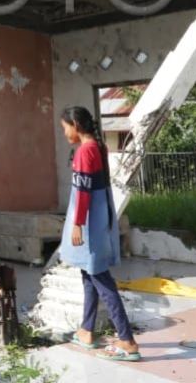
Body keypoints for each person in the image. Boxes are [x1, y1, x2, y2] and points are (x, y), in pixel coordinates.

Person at [58, 106, 141, 362]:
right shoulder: (99, 147)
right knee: (88, 274)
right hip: (99, 217)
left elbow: (83, 193)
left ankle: (127, 340)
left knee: (102, 280)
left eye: (65, 128)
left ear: (75, 125)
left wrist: (77, 224)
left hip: (88, 222)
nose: (65, 134)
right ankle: (86, 330)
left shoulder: (85, 151)